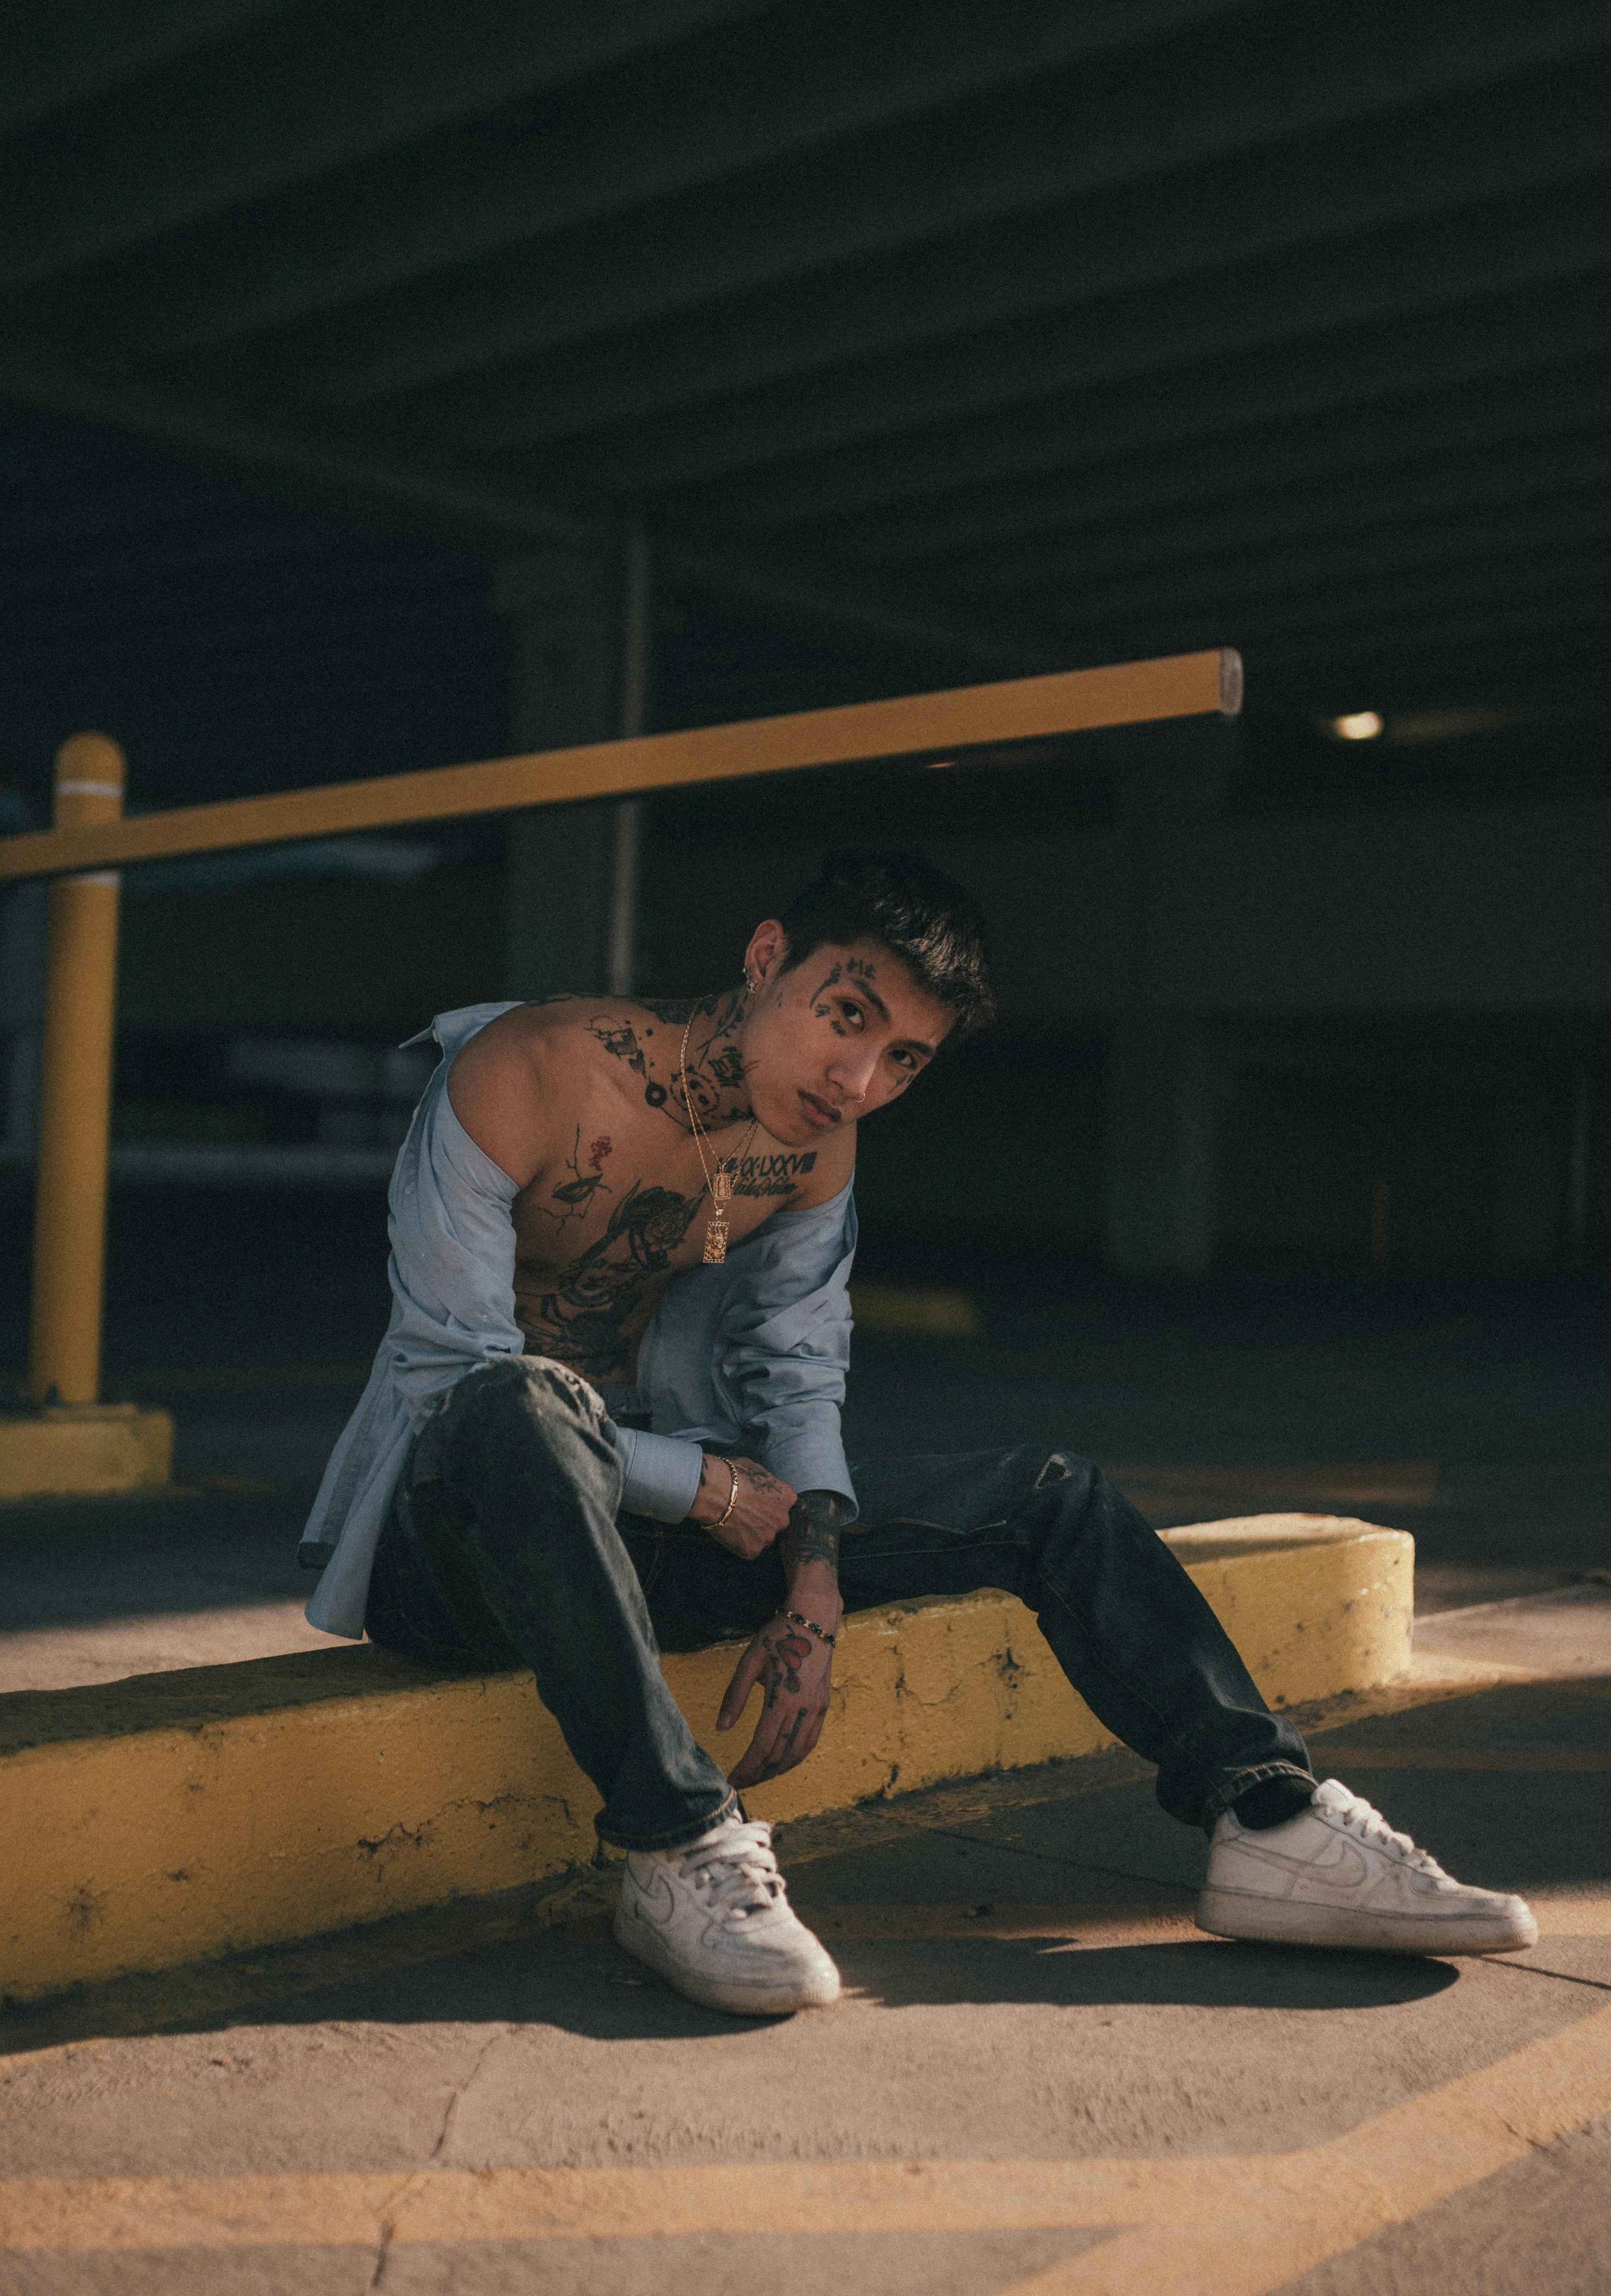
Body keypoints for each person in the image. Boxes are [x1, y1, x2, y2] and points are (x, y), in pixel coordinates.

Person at [301, 849, 1535, 2014]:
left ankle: (1268, 1818)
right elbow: (446, 1379)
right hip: (461, 1542)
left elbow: (797, 1359)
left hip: (654, 1526)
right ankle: (677, 1842)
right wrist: (710, 1493)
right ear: (767, 954)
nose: (860, 1082)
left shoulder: (810, 1142)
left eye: (905, 1060)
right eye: (848, 1015)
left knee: (1049, 1492)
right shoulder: (528, 1068)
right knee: (522, 1400)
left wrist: (816, 1572)